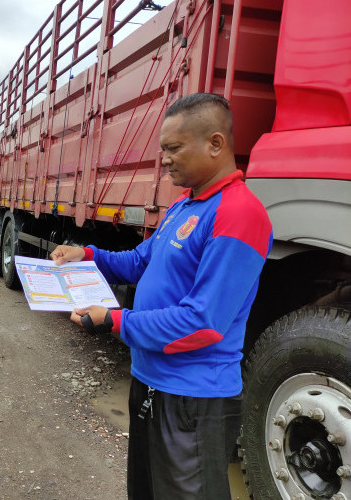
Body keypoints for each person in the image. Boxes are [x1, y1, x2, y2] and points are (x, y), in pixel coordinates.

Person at [51, 93, 272, 499]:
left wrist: (112, 320)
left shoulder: (238, 214)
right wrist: (87, 255)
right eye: (163, 150)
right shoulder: (184, 205)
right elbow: (139, 262)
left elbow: (203, 323)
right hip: (151, 383)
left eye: (174, 148)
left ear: (215, 144)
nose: (165, 159)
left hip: (194, 398)